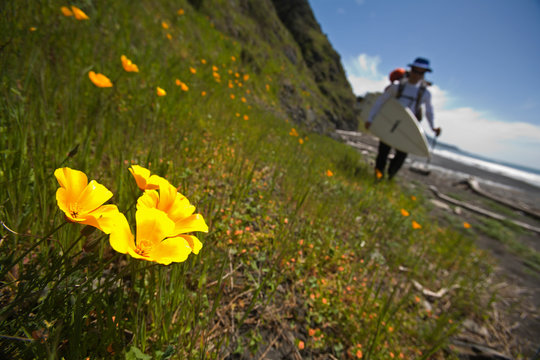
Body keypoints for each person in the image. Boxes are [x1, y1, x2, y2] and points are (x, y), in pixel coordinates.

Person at [365, 57, 441, 180]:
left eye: (421, 72)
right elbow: (380, 102)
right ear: (411, 70)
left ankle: (390, 177)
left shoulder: (425, 93)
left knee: (401, 154)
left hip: (407, 127)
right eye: (415, 71)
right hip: (389, 122)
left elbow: (429, 111)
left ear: (424, 74)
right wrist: (370, 119)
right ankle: (378, 177)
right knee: (383, 151)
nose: (417, 75)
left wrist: (433, 127)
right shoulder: (397, 86)